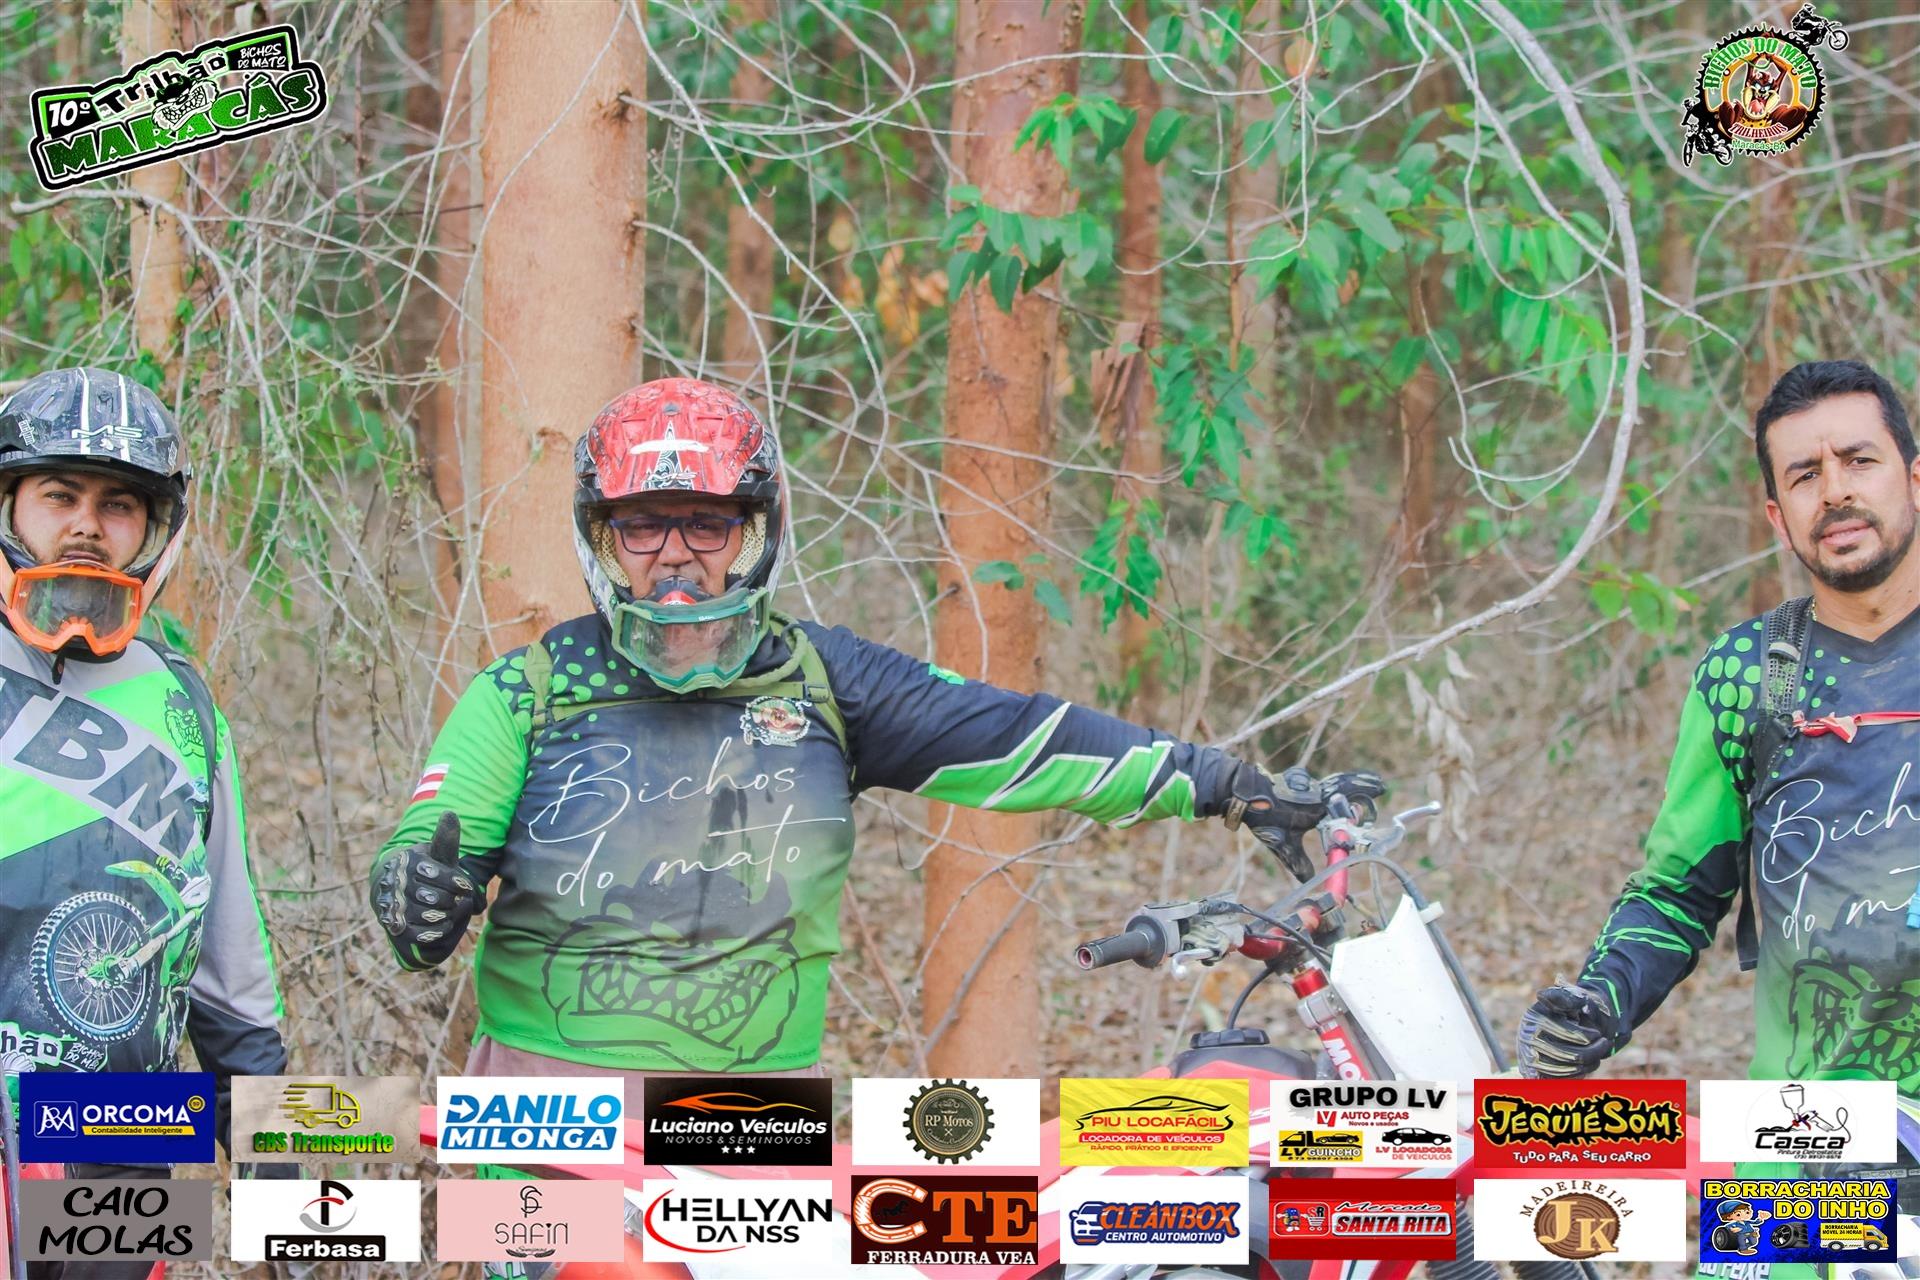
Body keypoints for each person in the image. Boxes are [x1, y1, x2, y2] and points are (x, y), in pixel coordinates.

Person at [371, 377, 1377, 1082]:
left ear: (753, 530)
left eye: (707, 522)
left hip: (757, 1101)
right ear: (603, 537)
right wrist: (415, 892)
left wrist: (1225, 782)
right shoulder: (527, 692)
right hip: (547, 1093)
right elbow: (427, 853)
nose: (675, 555)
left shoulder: (825, 679)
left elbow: (1023, 738)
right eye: (643, 524)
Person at [1516, 358, 1920, 1092]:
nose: (1835, 491)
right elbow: (1679, 891)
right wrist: (1601, 1000)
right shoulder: (1749, 673)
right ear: (1778, 518)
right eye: (1805, 475)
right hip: (1807, 1132)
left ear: (1914, 479)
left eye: (1859, 461)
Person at [0, 368, 288, 1277]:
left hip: (125, 1129)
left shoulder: (185, 707)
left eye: (118, 504)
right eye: (60, 495)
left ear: (154, 530)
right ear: (10, 507)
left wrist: (276, 1161)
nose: (87, 525)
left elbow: (231, 961)